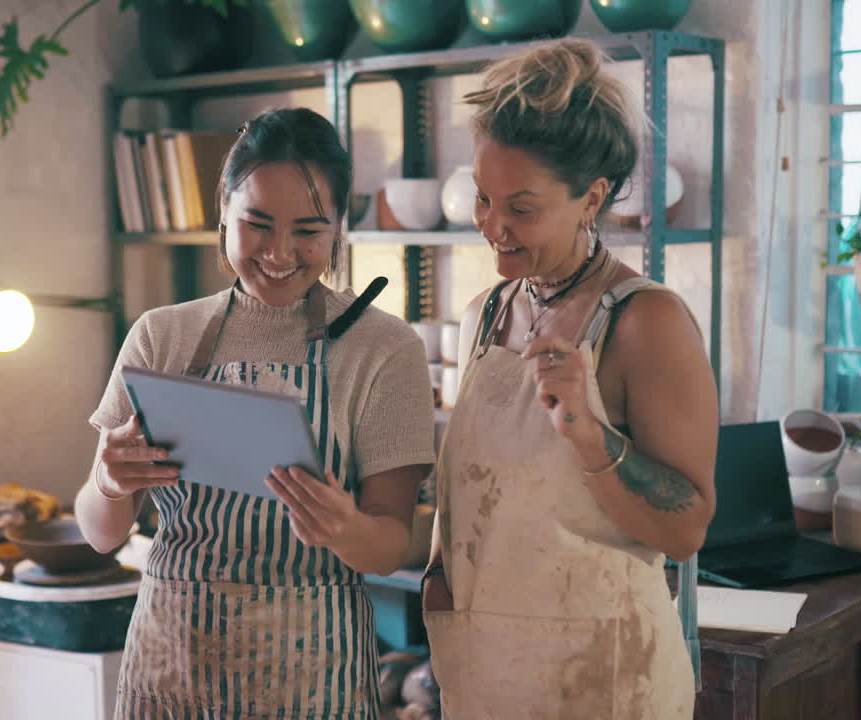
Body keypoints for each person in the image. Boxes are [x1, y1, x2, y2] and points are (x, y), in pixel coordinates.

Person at [75, 107, 436, 719]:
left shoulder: (383, 348)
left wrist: (346, 529)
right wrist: (108, 482)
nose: (280, 252)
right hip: (171, 669)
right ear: (223, 213)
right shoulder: (161, 336)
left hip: (311, 676)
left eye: (309, 231)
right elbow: (100, 534)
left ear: (339, 229)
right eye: (258, 225)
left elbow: (391, 548)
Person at [422, 38, 718, 719]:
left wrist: (588, 432)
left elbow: (687, 528)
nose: (493, 227)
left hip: (604, 685)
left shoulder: (646, 322)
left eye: (521, 209)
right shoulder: (486, 314)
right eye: (484, 199)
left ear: (592, 198)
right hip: (488, 677)